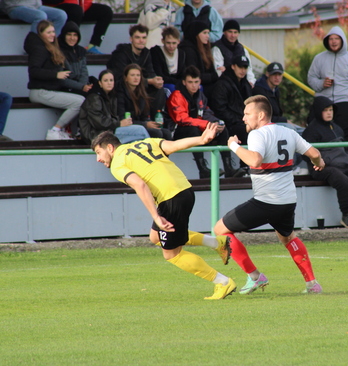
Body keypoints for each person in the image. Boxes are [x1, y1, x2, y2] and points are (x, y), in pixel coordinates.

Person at [91, 125, 236, 300]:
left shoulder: (117, 164)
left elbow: (140, 185)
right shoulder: (144, 143)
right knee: (156, 237)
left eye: (98, 153)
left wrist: (156, 216)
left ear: (110, 148)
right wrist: (201, 140)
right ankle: (217, 243)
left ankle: (222, 282)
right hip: (185, 190)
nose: (98, 159)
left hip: (170, 198)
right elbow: (173, 145)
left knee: (172, 254)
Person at [213, 95, 325, 294]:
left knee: (220, 229)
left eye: (248, 114)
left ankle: (255, 276)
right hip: (288, 201)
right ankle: (312, 284)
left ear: (261, 115)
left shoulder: (257, 134)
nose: (244, 118)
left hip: (267, 202)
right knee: (288, 238)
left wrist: (233, 145)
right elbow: (315, 154)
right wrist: (319, 164)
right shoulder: (287, 132)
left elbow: (255, 160)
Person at [302, 96, 348, 228]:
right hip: (322, 168)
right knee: (343, 180)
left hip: (343, 165)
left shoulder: (337, 128)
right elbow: (304, 154)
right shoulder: (311, 130)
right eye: (325, 110)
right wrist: (318, 162)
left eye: (331, 109)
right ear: (319, 111)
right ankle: (346, 215)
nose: (329, 112)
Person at [167, 65, 241, 178]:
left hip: (197, 128)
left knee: (222, 130)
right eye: (190, 82)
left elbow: (206, 112)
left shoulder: (200, 95)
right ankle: (203, 169)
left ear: (200, 81)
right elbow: (181, 119)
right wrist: (207, 125)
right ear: (184, 82)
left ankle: (229, 168)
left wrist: (216, 123)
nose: (193, 85)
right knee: (193, 130)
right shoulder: (176, 96)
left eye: (196, 82)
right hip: (177, 131)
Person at [24, 20, 85, 140]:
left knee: (81, 98)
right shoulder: (39, 49)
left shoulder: (50, 48)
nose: (52, 34)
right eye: (48, 32)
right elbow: (34, 71)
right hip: (40, 91)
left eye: (53, 31)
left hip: (49, 89)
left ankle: (67, 131)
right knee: (78, 102)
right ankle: (54, 130)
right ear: (41, 34)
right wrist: (56, 75)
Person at [307, 26, 348, 142]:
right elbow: (311, 78)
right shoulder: (319, 58)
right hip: (323, 101)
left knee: (343, 139)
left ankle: (343, 158)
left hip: (345, 103)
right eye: (331, 39)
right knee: (315, 133)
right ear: (327, 41)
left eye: (336, 39)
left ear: (342, 41)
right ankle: (319, 158)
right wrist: (321, 84)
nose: (333, 42)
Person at [106, 24, 166, 114]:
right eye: (137, 37)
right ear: (131, 39)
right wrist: (149, 81)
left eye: (144, 37)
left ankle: (155, 119)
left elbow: (150, 73)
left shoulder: (146, 53)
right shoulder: (121, 53)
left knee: (159, 90)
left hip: (139, 86)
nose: (141, 40)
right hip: (120, 87)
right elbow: (120, 78)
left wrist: (156, 80)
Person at [79, 69, 149, 144]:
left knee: (135, 140)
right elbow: (98, 122)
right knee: (140, 131)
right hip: (95, 134)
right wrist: (119, 124)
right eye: (106, 80)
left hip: (109, 131)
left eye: (111, 80)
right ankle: (153, 152)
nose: (109, 83)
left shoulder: (112, 97)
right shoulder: (94, 98)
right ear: (100, 83)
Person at [40, 0, 113, 54]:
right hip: (61, 7)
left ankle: (92, 46)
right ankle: (69, 47)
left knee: (106, 11)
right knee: (76, 11)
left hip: (82, 6)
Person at [116, 64, 171, 140]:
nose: (136, 78)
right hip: (126, 126)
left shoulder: (141, 92)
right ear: (126, 78)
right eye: (132, 75)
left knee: (166, 133)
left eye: (138, 75)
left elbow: (144, 116)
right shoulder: (120, 93)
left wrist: (150, 123)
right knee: (156, 133)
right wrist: (145, 124)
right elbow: (122, 118)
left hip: (140, 124)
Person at [210, 54, 252, 152]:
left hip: (242, 121)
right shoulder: (222, 84)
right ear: (233, 66)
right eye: (240, 67)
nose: (243, 70)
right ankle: (246, 165)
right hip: (230, 124)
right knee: (246, 131)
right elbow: (220, 109)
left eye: (245, 67)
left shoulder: (245, 84)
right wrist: (240, 120)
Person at [1, 0, 67, 35]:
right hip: (16, 7)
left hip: (36, 6)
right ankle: (35, 45)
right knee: (40, 16)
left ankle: (52, 45)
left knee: (61, 15)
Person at [178, 20, 221, 99]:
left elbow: (210, 70)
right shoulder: (188, 50)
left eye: (208, 33)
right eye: (204, 33)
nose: (208, 36)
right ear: (195, 35)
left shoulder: (204, 48)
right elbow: (194, 75)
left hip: (205, 84)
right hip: (195, 86)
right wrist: (216, 75)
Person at [212, 19, 255, 86]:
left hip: (241, 85)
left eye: (235, 32)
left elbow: (249, 69)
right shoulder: (217, 48)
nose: (233, 35)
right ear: (224, 32)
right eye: (230, 32)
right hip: (224, 86)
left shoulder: (242, 49)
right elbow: (218, 71)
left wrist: (251, 82)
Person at [58, 21, 92, 97]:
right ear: (64, 35)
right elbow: (62, 80)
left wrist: (83, 86)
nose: (72, 38)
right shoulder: (58, 51)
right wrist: (81, 87)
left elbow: (84, 72)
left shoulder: (80, 50)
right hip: (66, 88)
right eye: (69, 35)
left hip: (80, 86)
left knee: (98, 88)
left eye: (75, 35)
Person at [150, 26, 186, 94]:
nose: (171, 46)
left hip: (178, 82)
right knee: (173, 89)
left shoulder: (181, 53)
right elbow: (159, 74)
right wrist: (178, 82)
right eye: (168, 43)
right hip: (164, 84)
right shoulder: (156, 52)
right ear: (162, 41)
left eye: (174, 43)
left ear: (178, 41)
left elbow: (183, 73)